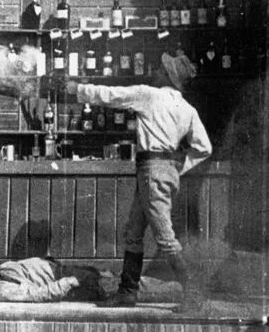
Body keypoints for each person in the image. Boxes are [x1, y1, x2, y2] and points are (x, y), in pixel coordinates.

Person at [65, 53, 212, 312]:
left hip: (150, 171)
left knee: (165, 237)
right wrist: (177, 167)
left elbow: (110, 95)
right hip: (162, 171)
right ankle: (127, 292)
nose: (156, 71)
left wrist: (77, 89)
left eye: (161, 69)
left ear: (167, 76)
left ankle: (194, 293)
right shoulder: (188, 109)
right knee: (133, 232)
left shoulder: (149, 94)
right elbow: (204, 148)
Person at [0, 244, 105, 302]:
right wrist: (68, 282)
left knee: (104, 274)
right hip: (64, 283)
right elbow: (36, 294)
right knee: (106, 286)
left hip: (58, 268)